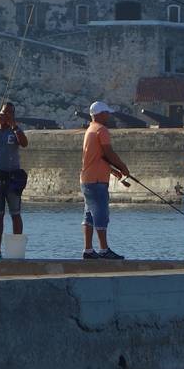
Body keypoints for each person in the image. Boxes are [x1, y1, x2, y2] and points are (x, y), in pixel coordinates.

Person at [80, 101, 131, 260]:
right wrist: (123, 167)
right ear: (100, 114)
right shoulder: (101, 130)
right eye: (106, 113)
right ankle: (104, 250)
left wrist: (115, 172)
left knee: (88, 216)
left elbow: (98, 158)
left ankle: (88, 250)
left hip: (87, 179)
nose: (108, 115)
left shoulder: (90, 130)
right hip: (97, 181)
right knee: (101, 215)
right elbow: (109, 153)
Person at [0, 101, 30, 256]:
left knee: (15, 213)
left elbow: (24, 144)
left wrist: (14, 126)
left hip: (13, 179)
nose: (7, 116)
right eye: (5, 113)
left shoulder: (15, 132)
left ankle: (16, 250)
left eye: (10, 113)